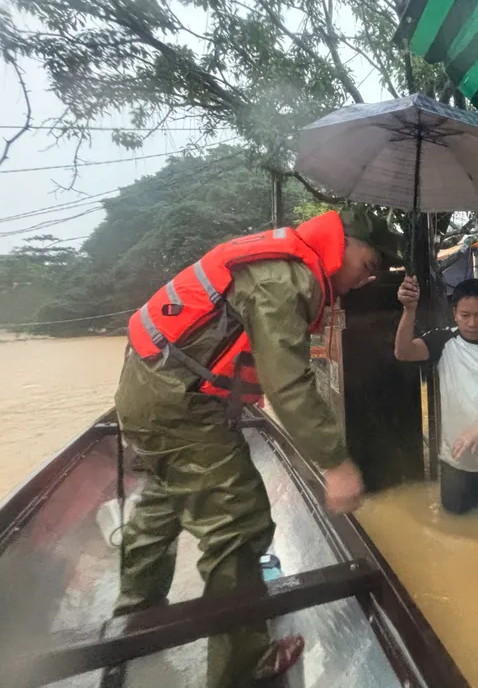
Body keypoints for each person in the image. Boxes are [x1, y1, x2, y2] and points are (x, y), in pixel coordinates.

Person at [113, 209, 400, 688]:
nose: (363, 279)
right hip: (180, 403)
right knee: (240, 525)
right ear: (344, 243)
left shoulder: (285, 264)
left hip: (151, 392)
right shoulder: (284, 280)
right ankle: (243, 667)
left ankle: (135, 619)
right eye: (368, 265)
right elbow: (287, 384)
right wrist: (335, 463)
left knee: (164, 501)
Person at [394, 277, 478, 515]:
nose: (473, 323)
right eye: (465, 315)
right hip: (454, 464)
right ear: (454, 313)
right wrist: (409, 310)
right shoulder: (442, 340)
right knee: (454, 524)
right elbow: (403, 352)